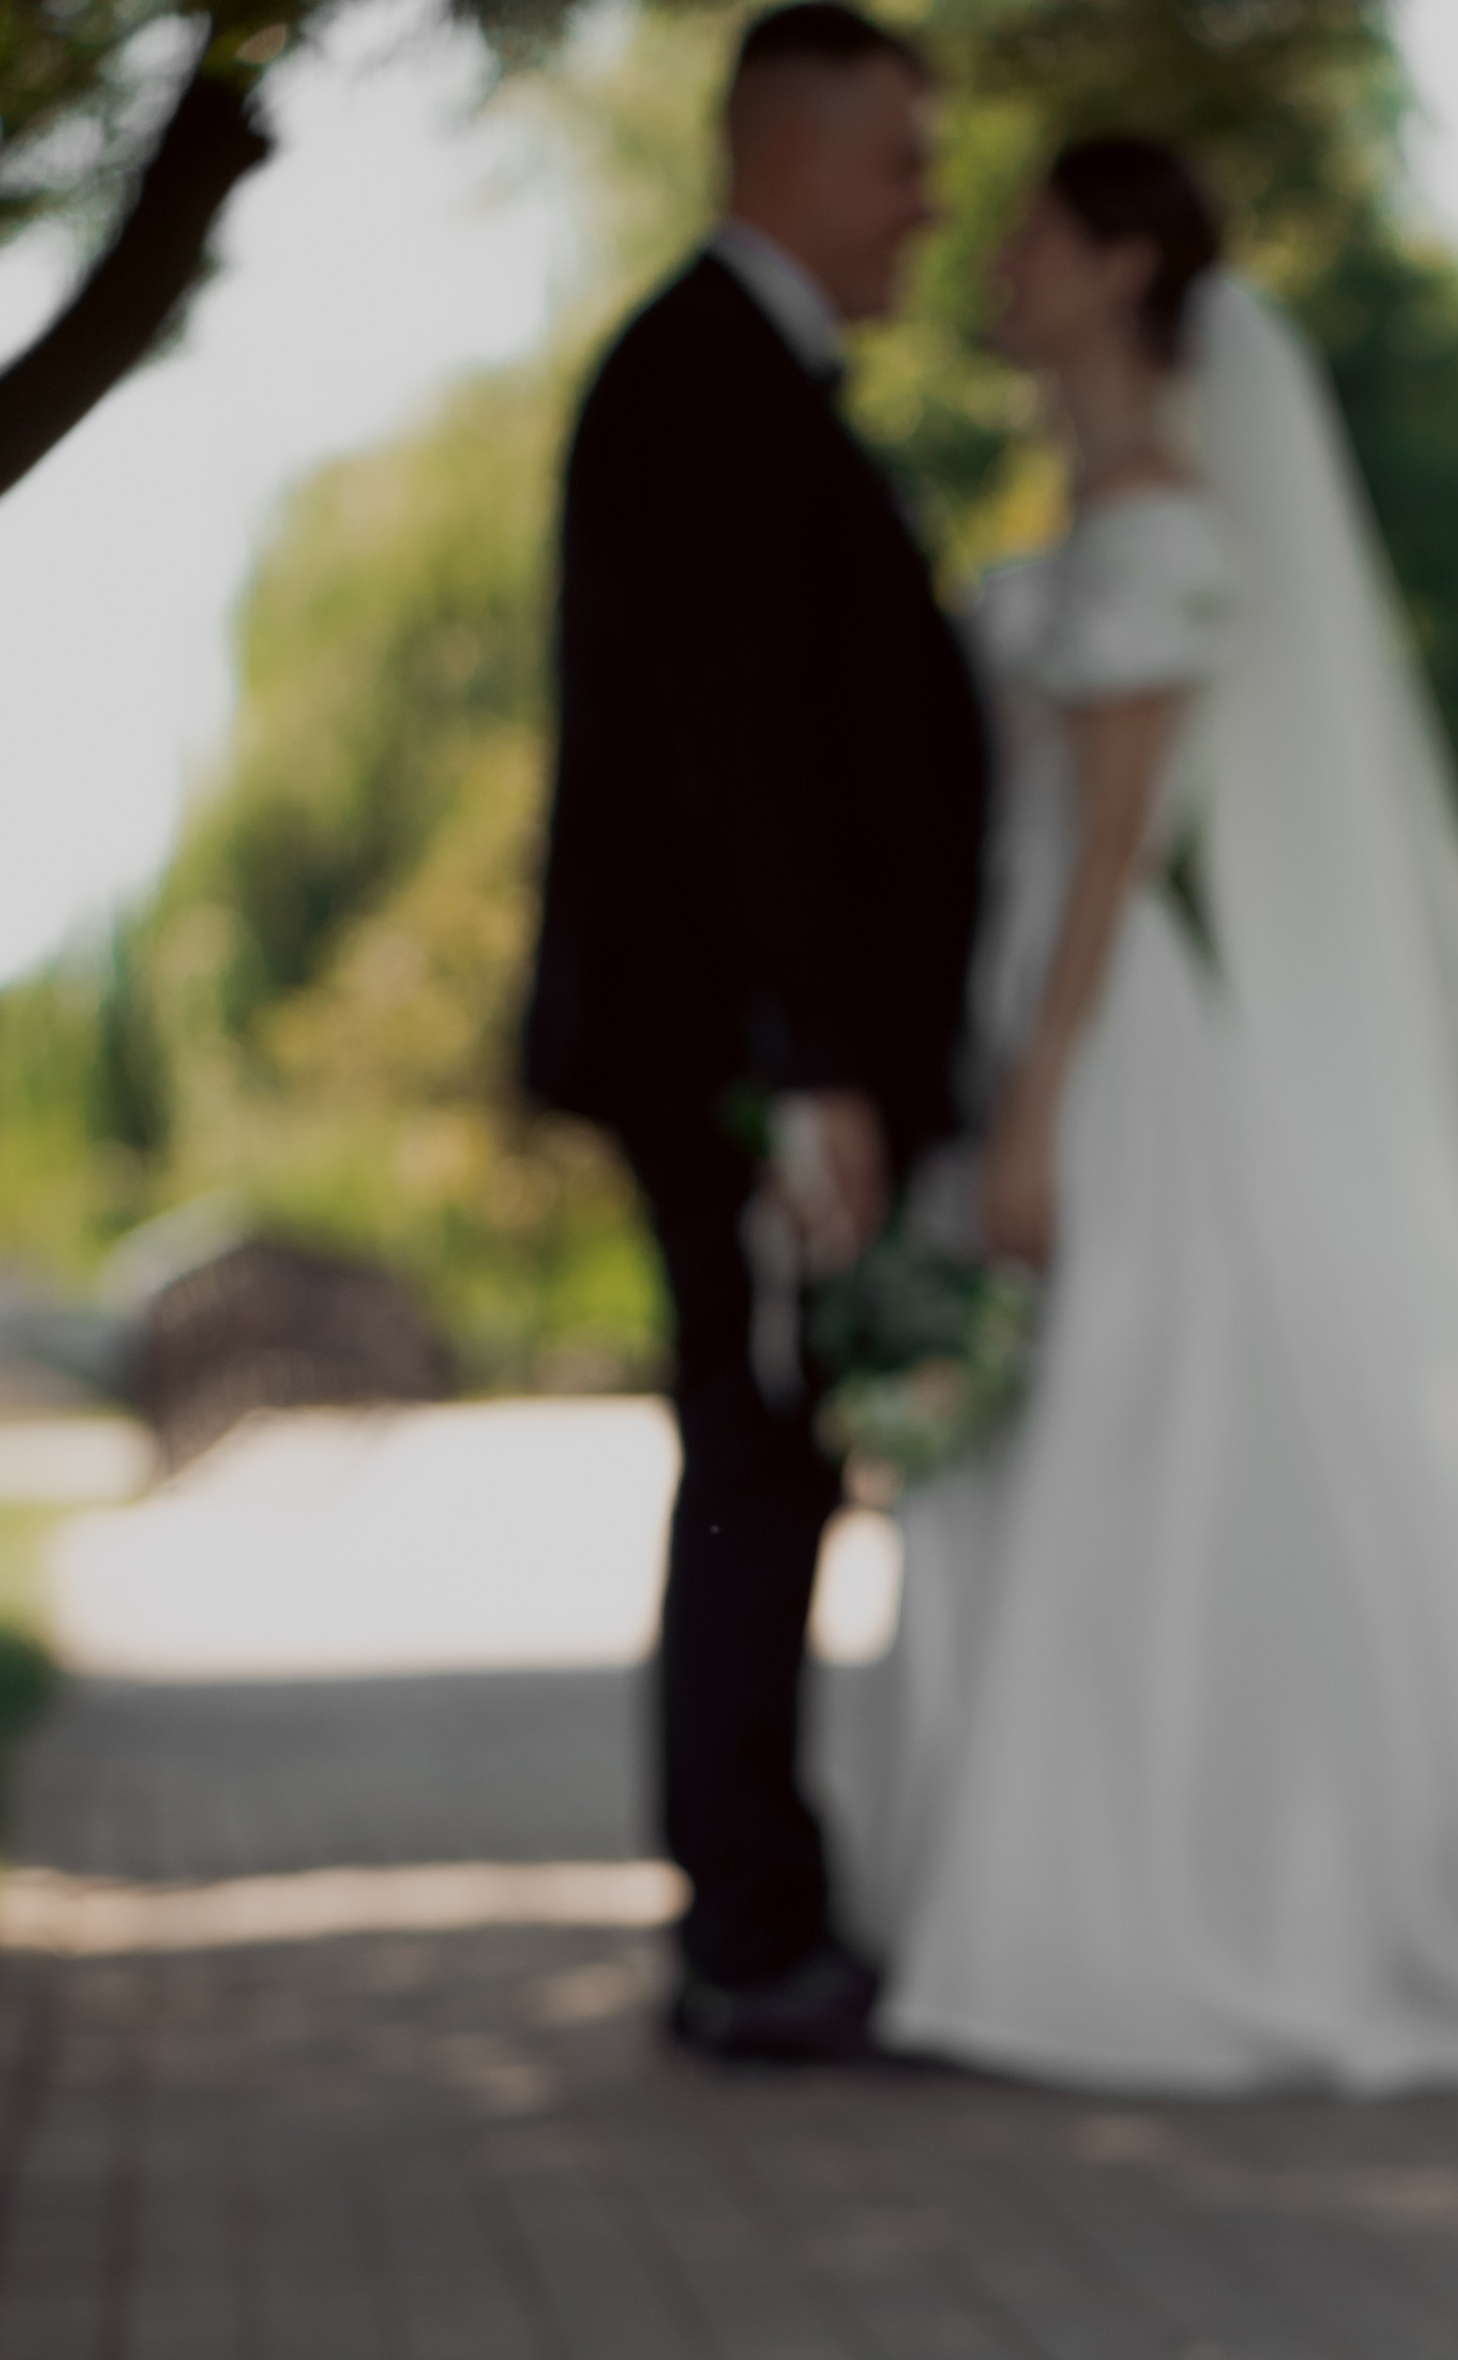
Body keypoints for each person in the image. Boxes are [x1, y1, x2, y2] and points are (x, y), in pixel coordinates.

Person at [839, 138, 1458, 2094]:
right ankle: (1054, 1889)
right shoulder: (1081, 512)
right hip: (1022, 1021)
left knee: (1130, 1447)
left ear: (1123, 269)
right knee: (1067, 1468)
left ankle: (1167, 1904)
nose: (990, 257)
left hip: (1098, 1039)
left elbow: (1112, 846)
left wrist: (1032, 1100)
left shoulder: (1162, 533)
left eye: (1030, 233)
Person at [524, 4, 985, 2064]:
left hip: (751, 1043)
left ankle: (758, 1898)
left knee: (769, 1452)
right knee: (751, 1450)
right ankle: (743, 1926)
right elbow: (738, 770)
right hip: (731, 1050)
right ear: (796, 155)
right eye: (903, 161)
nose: (927, 209)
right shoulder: (697, 385)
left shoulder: (734, 381)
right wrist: (808, 1061)